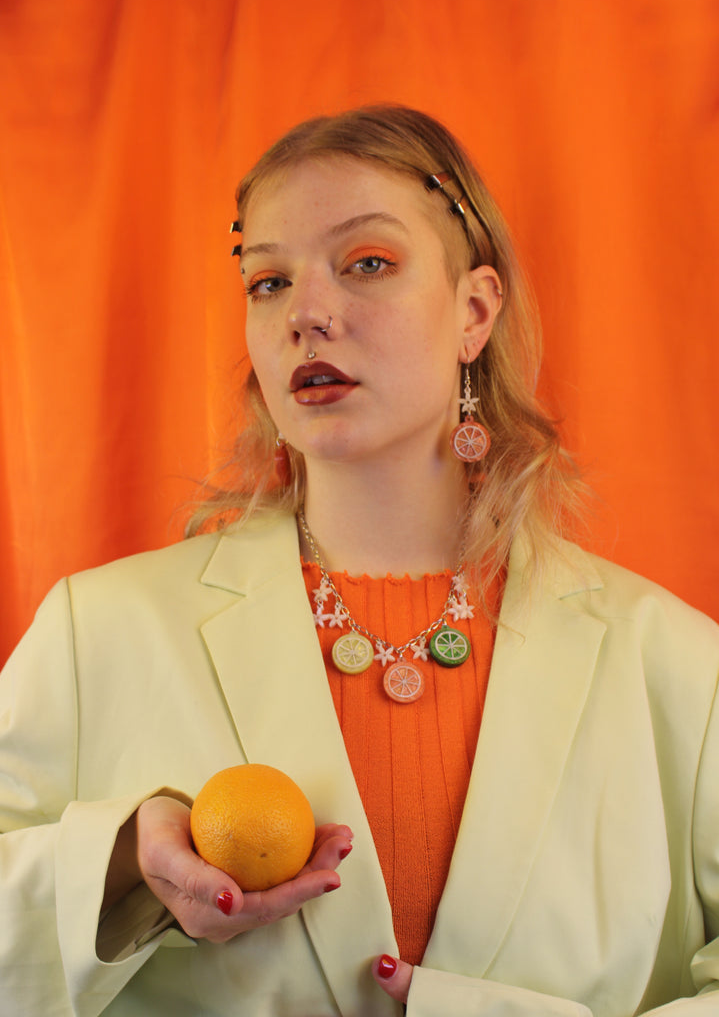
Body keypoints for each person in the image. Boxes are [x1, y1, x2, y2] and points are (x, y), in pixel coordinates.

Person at [1, 105, 718, 1017]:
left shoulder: (677, 666)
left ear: (473, 311)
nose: (305, 313)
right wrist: (114, 863)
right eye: (266, 281)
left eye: (367, 264)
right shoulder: (91, 631)